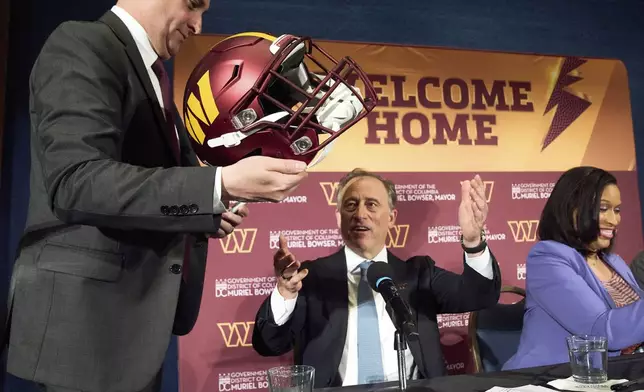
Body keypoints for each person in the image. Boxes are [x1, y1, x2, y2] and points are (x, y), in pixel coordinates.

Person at [3, 1, 310, 391]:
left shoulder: (154, 75)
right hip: (88, 335)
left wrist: (211, 208)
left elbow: (145, 183)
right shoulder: (81, 43)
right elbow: (76, 181)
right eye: (193, 4)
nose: (198, 24)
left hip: (132, 332)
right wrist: (218, 185)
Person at [252, 168, 501, 387]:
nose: (361, 214)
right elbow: (270, 345)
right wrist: (285, 294)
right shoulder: (311, 277)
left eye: (372, 204)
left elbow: (480, 295)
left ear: (391, 218)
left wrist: (472, 242)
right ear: (339, 217)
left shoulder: (419, 273)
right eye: (351, 205)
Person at [503, 166, 644, 371]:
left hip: (617, 377)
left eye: (617, 210)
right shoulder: (547, 258)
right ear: (572, 209)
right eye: (603, 208)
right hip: (552, 379)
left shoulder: (615, 262)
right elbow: (600, 332)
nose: (614, 220)